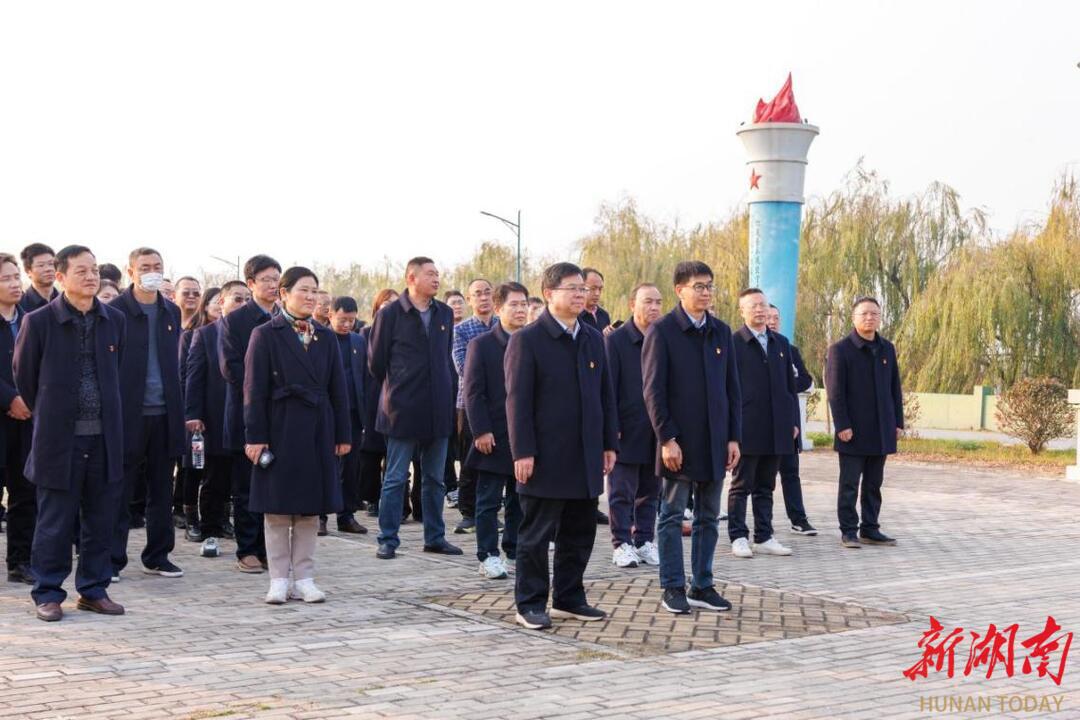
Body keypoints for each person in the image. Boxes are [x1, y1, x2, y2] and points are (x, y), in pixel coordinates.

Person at [16, 245, 127, 621]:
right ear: (61, 277)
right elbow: (25, 377)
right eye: (82, 271)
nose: (91, 277)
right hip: (58, 440)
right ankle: (47, 593)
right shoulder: (39, 322)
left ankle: (93, 590)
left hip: (104, 438)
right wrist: (52, 411)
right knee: (55, 522)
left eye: (94, 270)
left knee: (100, 520)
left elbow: (119, 372)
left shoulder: (114, 320)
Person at [505, 262, 618, 630]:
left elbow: (605, 395)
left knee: (579, 531)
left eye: (583, 288)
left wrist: (608, 442)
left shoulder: (592, 338)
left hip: (585, 453)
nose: (580, 295)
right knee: (536, 534)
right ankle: (530, 603)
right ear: (549, 293)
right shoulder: (528, 340)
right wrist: (523, 451)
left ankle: (569, 598)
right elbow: (517, 401)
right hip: (544, 456)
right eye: (573, 288)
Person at [244, 266, 351, 604]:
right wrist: (255, 436)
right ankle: (278, 579)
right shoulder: (265, 334)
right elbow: (253, 391)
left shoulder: (326, 336)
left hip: (318, 428)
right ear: (284, 293)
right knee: (277, 509)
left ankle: (304, 578)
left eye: (314, 290)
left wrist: (343, 433)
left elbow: (339, 388)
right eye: (303, 289)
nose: (310, 296)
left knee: (308, 509)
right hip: (279, 427)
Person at [642, 261, 741, 615]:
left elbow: (732, 389)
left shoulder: (720, 331)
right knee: (671, 516)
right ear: (679, 290)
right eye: (698, 286)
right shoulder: (663, 331)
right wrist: (666, 438)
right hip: (678, 444)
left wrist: (733, 437)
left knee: (708, 517)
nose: (706, 292)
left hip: (715, 441)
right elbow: (653, 391)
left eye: (709, 285)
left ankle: (702, 584)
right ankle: (672, 586)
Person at [367, 257, 461, 559]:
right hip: (401, 408)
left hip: (438, 407)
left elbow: (445, 358)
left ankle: (435, 537)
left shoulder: (444, 313)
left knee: (435, 478)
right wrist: (400, 386)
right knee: (395, 477)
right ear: (411, 278)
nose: (436, 278)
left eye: (438, 273)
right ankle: (387, 539)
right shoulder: (390, 314)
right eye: (430, 274)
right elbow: (376, 363)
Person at [110, 248, 186, 580]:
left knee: (161, 488)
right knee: (120, 489)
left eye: (157, 266)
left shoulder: (171, 311)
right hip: (128, 414)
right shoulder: (114, 310)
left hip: (165, 413)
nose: (151, 271)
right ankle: (111, 558)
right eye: (144, 267)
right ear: (131, 271)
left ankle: (158, 555)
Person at [825, 296, 904, 549]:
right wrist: (842, 425)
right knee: (849, 484)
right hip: (853, 430)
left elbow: (895, 388)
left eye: (874, 313)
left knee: (873, 483)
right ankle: (848, 531)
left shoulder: (887, 348)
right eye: (864, 314)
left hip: (881, 429)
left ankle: (870, 528)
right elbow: (835, 392)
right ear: (853, 318)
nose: (870, 318)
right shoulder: (840, 350)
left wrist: (898, 422)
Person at [219, 254, 281, 573]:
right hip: (246, 413)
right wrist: (267, 384)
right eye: (267, 279)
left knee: (274, 486)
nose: (273, 285)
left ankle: (271, 547)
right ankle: (247, 550)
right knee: (246, 487)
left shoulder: (286, 317)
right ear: (252, 283)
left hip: (281, 415)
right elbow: (231, 368)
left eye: (277, 279)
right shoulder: (236, 321)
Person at [463, 281, 528, 580]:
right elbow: (473, 392)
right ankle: (488, 555)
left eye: (524, 304)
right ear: (499, 308)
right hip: (493, 435)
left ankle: (514, 551)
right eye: (514, 304)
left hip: (524, 436)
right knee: (488, 500)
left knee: (519, 499)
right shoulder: (482, 345)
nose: (520, 310)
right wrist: (480, 431)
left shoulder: (532, 341)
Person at [727, 289, 799, 559]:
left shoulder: (781, 343)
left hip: (777, 426)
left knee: (766, 485)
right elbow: (727, 388)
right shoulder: (734, 343)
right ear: (742, 311)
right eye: (753, 306)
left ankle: (764, 536)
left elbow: (790, 388)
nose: (760, 310)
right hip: (747, 425)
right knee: (741, 485)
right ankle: (738, 536)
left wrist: (792, 420)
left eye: (763, 305)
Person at [186, 281, 249, 559]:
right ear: (221, 302)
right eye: (237, 298)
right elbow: (194, 377)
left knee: (244, 482)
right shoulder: (205, 334)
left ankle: (240, 531)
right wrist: (193, 414)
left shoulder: (258, 331)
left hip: (248, 418)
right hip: (215, 416)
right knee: (215, 478)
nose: (243, 304)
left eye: (247, 299)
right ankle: (209, 529)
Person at [604, 282, 663, 569]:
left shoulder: (663, 338)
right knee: (622, 491)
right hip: (625, 428)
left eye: (658, 302)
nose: (654, 307)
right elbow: (607, 388)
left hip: (657, 428)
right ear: (632, 305)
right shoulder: (615, 341)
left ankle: (644, 540)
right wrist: (611, 426)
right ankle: (621, 543)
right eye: (647, 301)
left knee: (651, 491)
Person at [451, 278, 497, 534]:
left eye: (487, 292)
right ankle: (468, 512)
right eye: (477, 294)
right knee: (471, 458)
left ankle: (489, 510)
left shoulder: (503, 326)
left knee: (496, 459)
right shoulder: (461, 330)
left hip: (501, 403)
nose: (483, 297)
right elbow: (463, 368)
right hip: (469, 402)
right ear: (469, 300)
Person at [767, 304, 817, 535]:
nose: (772, 321)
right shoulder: (744, 347)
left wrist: (782, 385)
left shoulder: (789, 349)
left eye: (776, 318)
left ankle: (799, 519)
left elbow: (806, 380)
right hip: (760, 424)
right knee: (756, 479)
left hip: (788, 424)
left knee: (790, 473)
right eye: (768, 317)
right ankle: (756, 526)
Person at [177, 286, 221, 543]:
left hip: (220, 411)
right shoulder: (193, 335)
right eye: (216, 302)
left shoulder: (232, 334)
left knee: (218, 469)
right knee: (194, 466)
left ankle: (217, 518)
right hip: (198, 413)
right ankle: (190, 518)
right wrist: (191, 411)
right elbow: (187, 376)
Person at [0, 254, 35, 584]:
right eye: (5, 278)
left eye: (15, 277)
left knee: (25, 493)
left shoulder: (30, 321)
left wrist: (29, 400)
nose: (14, 283)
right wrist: (9, 398)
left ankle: (20, 561)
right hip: (4, 413)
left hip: (27, 421)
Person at [325, 295, 368, 534]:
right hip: (326, 412)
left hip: (352, 413)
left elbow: (364, 377)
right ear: (330, 315)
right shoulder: (319, 338)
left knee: (350, 468)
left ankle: (346, 516)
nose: (347, 325)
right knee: (324, 464)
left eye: (351, 320)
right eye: (342, 319)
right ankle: (319, 515)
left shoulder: (358, 341)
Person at [357, 289, 398, 519]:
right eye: (386, 303)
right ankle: (372, 498)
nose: (390, 307)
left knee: (395, 455)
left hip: (396, 397)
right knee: (371, 453)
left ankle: (397, 503)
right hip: (373, 395)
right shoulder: (366, 333)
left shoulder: (404, 331)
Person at [18, 243, 58, 313]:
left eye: (51, 264)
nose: (48, 269)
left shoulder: (67, 301)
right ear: (28, 271)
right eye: (41, 265)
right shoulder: (19, 306)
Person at [578, 267, 611, 332]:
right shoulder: (574, 316)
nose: (597, 293)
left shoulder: (604, 315)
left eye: (600, 289)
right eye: (593, 288)